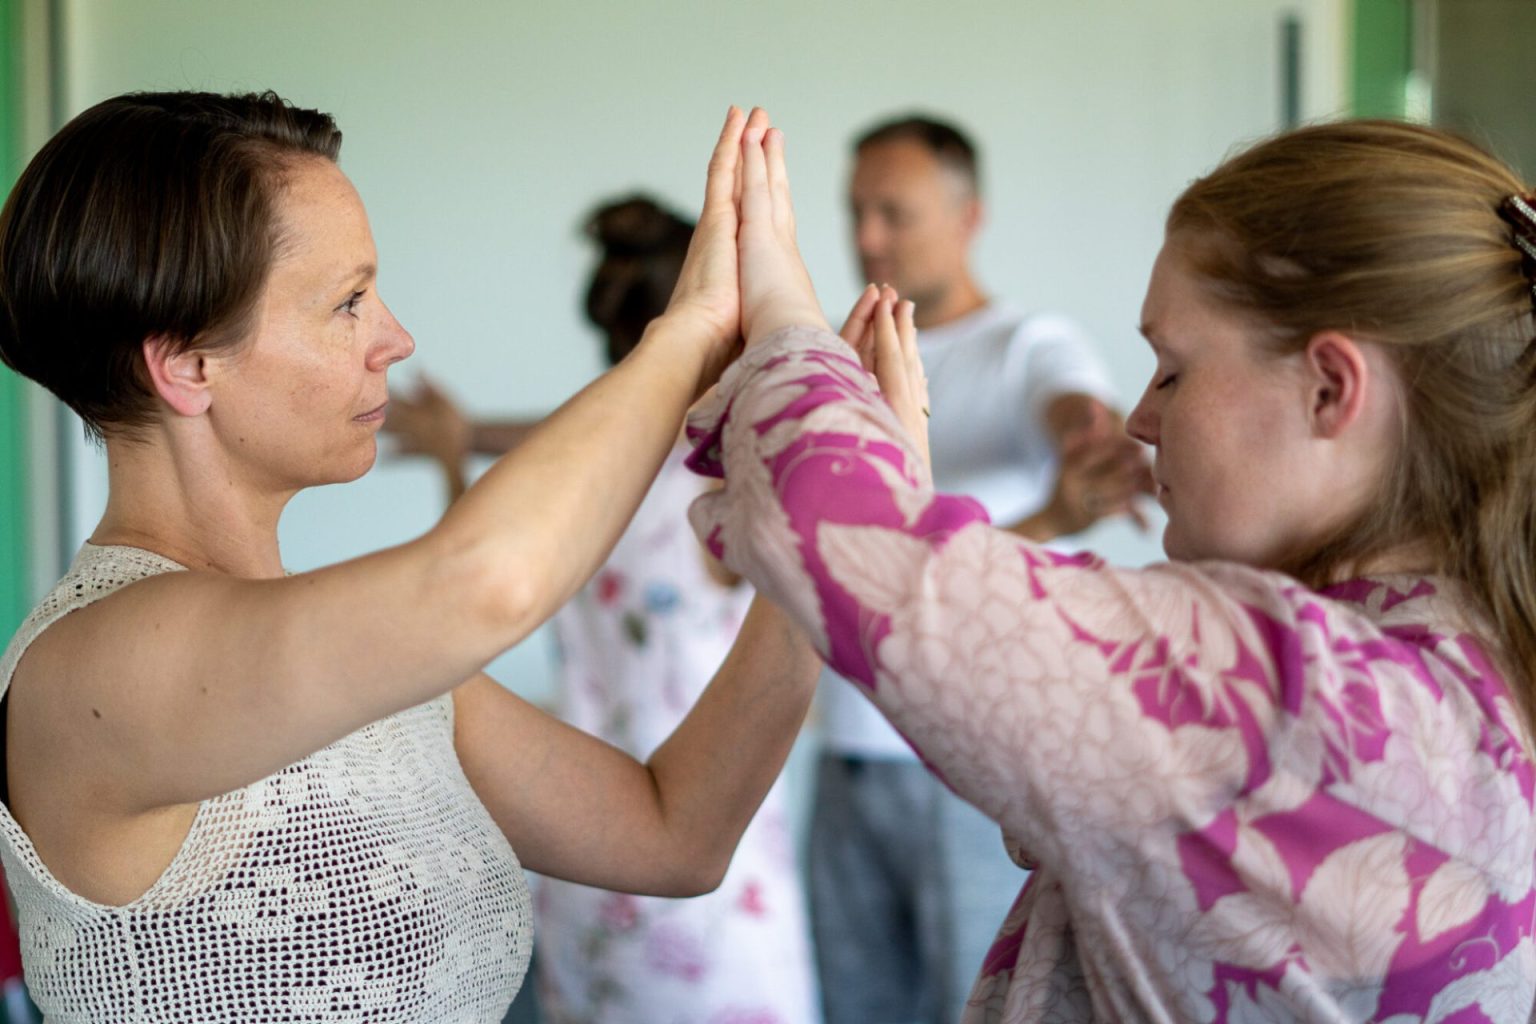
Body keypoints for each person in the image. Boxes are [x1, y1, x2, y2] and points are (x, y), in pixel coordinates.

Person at [0, 93, 824, 1023]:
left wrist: (825, 554)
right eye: (348, 302)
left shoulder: (374, 663)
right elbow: (487, 581)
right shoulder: (97, 668)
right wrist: (696, 327)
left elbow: (677, 835)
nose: (396, 340)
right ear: (188, 365)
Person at [699, 112, 1536, 1019]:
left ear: (1331, 389)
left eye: (1172, 370)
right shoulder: (1462, 662)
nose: (1142, 417)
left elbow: (826, 521)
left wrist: (781, 306)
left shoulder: (1310, 698)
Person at [386, 195, 820, 1024]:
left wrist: (457, 448)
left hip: (583, 844)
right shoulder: (725, 482)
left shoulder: (569, 482)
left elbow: (476, 572)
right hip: (710, 851)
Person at [809, 113, 1151, 1024]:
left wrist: (1092, 435)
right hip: (844, 752)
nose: (867, 237)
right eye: (856, 211)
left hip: (971, 762)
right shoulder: (843, 366)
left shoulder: (1027, 344)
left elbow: (1074, 407)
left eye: (894, 212)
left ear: (968, 218)